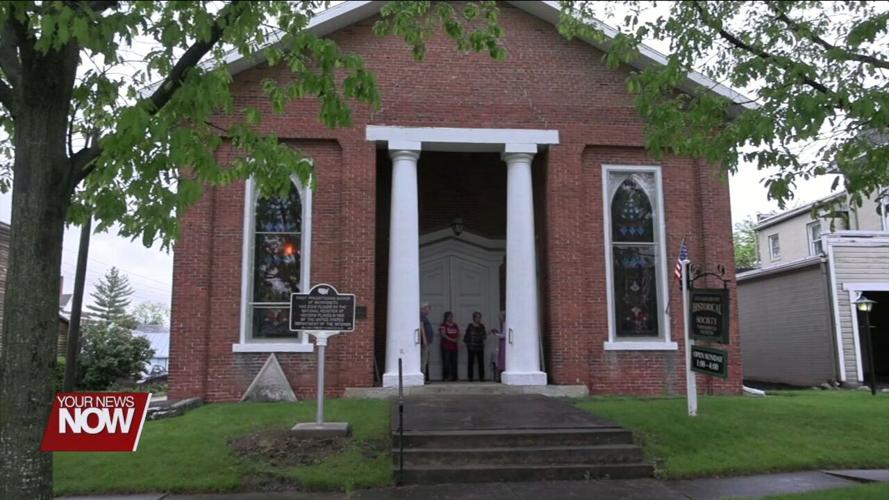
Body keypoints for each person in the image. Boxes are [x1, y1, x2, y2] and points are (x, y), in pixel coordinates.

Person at [464, 311, 487, 381]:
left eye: (480, 317)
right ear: (474, 318)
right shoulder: (470, 326)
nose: (479, 319)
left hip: (480, 347)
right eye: (477, 317)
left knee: (481, 363)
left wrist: (483, 336)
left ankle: (482, 377)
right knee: (470, 362)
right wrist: (468, 344)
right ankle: (470, 378)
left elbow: (484, 336)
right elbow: (466, 337)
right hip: (471, 347)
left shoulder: (482, 326)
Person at [439, 311, 460, 382]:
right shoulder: (443, 325)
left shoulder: (455, 325)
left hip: (454, 347)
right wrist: (452, 340)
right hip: (446, 347)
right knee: (446, 362)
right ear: (446, 317)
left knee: (454, 362)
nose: (451, 318)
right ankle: (445, 377)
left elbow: (458, 333)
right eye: (449, 316)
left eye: (452, 316)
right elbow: (443, 334)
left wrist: (457, 339)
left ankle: (455, 377)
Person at [420, 302, 434, 382]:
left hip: (426, 342)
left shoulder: (424, 316)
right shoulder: (421, 315)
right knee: (424, 360)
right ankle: (423, 378)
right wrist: (424, 340)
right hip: (424, 343)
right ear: (425, 308)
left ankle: (424, 378)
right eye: (429, 309)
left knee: (425, 360)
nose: (429, 311)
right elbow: (421, 326)